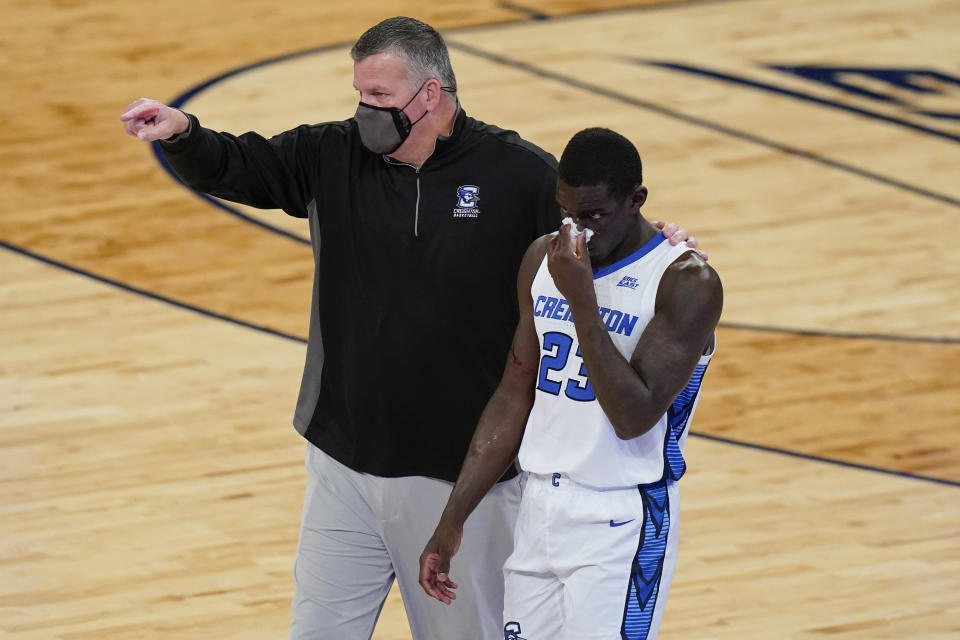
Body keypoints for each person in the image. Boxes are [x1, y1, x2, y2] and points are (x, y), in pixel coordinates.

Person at [120, 17, 699, 640]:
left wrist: (662, 244)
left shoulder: (517, 173)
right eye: (360, 95)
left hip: (455, 478)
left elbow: (597, 232)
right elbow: (241, 165)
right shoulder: (329, 154)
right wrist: (183, 135)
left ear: (431, 95)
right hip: (342, 460)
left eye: (380, 98)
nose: (365, 111)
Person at [419, 127, 722, 640]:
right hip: (540, 508)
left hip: (620, 516)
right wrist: (452, 520)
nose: (578, 232)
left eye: (594, 216)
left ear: (636, 201)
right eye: (568, 214)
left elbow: (634, 415)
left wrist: (582, 299)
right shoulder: (543, 258)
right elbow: (515, 390)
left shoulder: (685, 282)